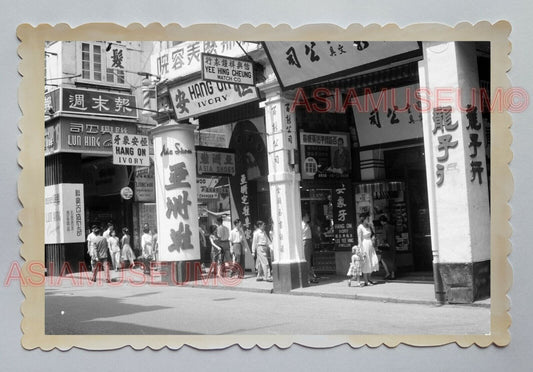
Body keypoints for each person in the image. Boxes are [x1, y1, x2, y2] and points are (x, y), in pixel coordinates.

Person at [357, 212, 379, 286]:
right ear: (363, 219)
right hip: (364, 245)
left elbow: (372, 234)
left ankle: (369, 278)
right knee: (366, 263)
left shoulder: (369, 226)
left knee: (373, 261)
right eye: (367, 218)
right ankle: (366, 280)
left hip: (370, 245)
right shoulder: (360, 227)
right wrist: (361, 249)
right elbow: (359, 238)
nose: (368, 219)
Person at [302, 213, 318, 284]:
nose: (308, 217)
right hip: (305, 241)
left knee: (310, 260)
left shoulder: (307, 224)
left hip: (309, 241)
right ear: (304, 217)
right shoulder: (302, 225)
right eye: (307, 216)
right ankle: (308, 277)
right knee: (307, 260)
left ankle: (311, 276)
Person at [379, 215, 396, 280]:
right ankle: (393, 274)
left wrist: (383, 243)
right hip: (393, 245)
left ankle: (387, 273)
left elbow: (384, 237)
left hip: (387, 246)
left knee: (383, 259)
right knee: (392, 259)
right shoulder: (392, 227)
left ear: (382, 221)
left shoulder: (384, 227)